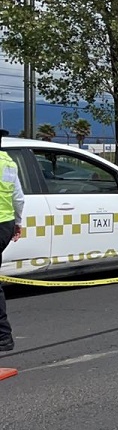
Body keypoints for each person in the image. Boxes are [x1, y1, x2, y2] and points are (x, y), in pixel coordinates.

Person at [0, 132, 24, 351]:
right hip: (5, 224)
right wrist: (18, 222)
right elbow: (18, 197)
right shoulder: (8, 162)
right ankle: (3, 336)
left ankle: (3, 335)